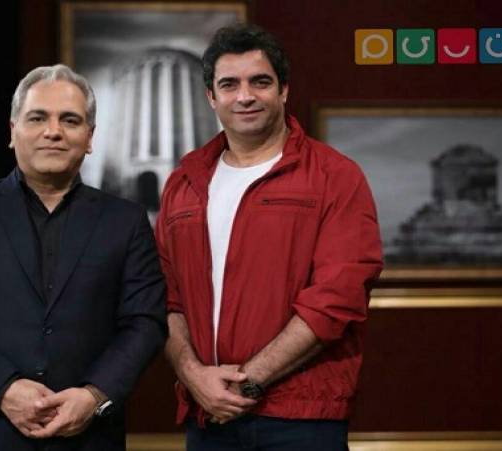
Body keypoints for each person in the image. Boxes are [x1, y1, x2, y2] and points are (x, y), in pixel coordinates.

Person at [0, 64, 167, 451]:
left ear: (90, 137)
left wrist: (95, 397)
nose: (53, 131)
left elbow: (145, 322)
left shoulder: (126, 221)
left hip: (86, 436)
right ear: (13, 130)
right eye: (37, 118)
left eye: (70, 120)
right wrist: (3, 387)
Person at [156, 25, 383, 450]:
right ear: (211, 96)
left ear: (283, 90)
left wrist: (247, 382)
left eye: (260, 82)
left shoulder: (335, 176)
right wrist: (193, 376)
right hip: (208, 416)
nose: (245, 96)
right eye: (229, 85)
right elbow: (166, 299)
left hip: (300, 420)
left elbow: (337, 298)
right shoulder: (183, 183)